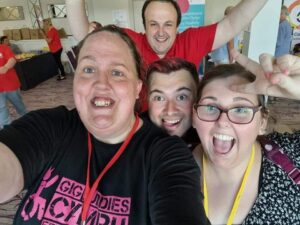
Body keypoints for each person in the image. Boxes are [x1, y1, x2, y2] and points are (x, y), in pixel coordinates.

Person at [0, 25, 210, 225]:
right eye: (89, 69)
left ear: (138, 88)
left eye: (117, 72)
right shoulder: (50, 126)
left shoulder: (164, 153)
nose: (101, 83)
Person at [66, 0, 268, 112]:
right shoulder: (129, 41)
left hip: (183, 124)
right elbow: (83, 33)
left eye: (168, 24)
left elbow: (231, 24)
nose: (160, 32)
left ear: (176, 26)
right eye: (153, 24)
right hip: (141, 124)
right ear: (144, 26)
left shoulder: (190, 41)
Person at [192, 49, 300, 224]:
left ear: (262, 122)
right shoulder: (164, 166)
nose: (223, 121)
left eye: (241, 109)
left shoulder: (292, 157)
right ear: (194, 117)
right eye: (211, 107)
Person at [145, 57, 200, 149]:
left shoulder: (210, 134)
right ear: (147, 99)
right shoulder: (134, 142)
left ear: (197, 97)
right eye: (159, 98)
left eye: (181, 97)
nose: (170, 111)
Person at [0, 42, 27, 129]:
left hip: (10, 85)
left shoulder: (3, 48)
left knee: (19, 105)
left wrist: (5, 67)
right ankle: (6, 130)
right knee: (1, 109)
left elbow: (12, 59)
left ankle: (27, 121)